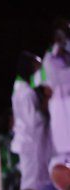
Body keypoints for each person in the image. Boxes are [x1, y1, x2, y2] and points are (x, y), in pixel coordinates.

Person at [12, 51, 54, 190]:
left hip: (32, 142)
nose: (38, 70)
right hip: (30, 142)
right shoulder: (25, 93)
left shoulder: (24, 90)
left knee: (36, 178)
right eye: (36, 66)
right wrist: (46, 103)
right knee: (31, 180)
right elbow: (32, 120)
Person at [44, 20, 70, 158]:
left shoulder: (66, 57)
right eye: (59, 39)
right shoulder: (49, 60)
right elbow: (61, 80)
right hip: (61, 109)